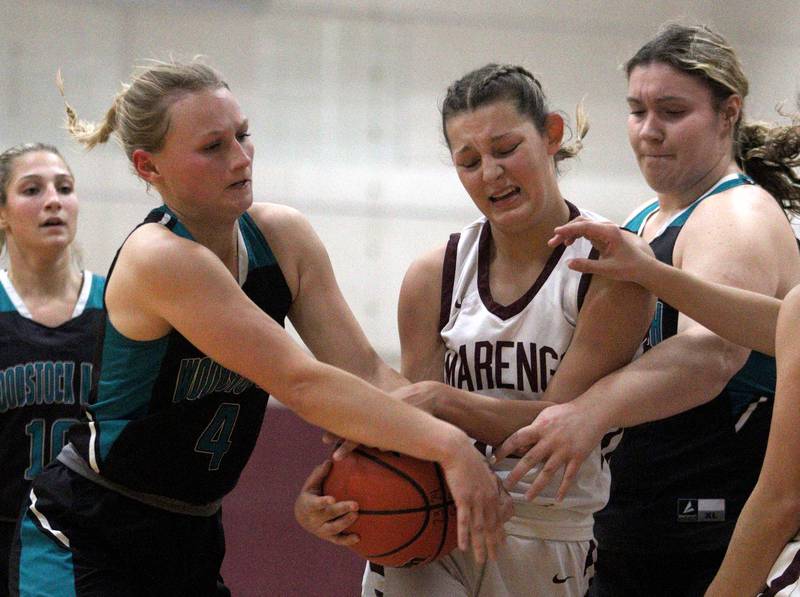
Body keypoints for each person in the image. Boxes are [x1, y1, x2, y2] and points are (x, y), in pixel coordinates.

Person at [8, 60, 509, 597]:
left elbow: (364, 374)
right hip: (88, 532)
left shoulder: (282, 237)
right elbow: (302, 383)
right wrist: (448, 446)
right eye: (213, 147)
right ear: (148, 167)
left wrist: (368, 467)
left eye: (243, 135)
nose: (241, 158)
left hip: (192, 533)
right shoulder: (160, 258)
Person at [297, 63, 654, 597]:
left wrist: (442, 403)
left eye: (505, 148)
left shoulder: (611, 267)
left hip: (544, 533)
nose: (490, 172)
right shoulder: (432, 275)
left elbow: (555, 430)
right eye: (469, 161)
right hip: (433, 521)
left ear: (551, 134)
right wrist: (334, 488)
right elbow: (412, 435)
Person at [495, 24, 800, 597]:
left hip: (712, 527)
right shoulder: (643, 220)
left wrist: (589, 412)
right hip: (641, 519)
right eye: (637, 110)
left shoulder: (736, 215)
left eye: (672, 111)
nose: (648, 131)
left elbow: (710, 354)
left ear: (727, 113)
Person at [0, 143, 104, 592]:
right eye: (32, 189)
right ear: (2, 213)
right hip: (6, 537)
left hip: (98, 542)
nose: (53, 200)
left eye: (65, 188)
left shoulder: (121, 308)